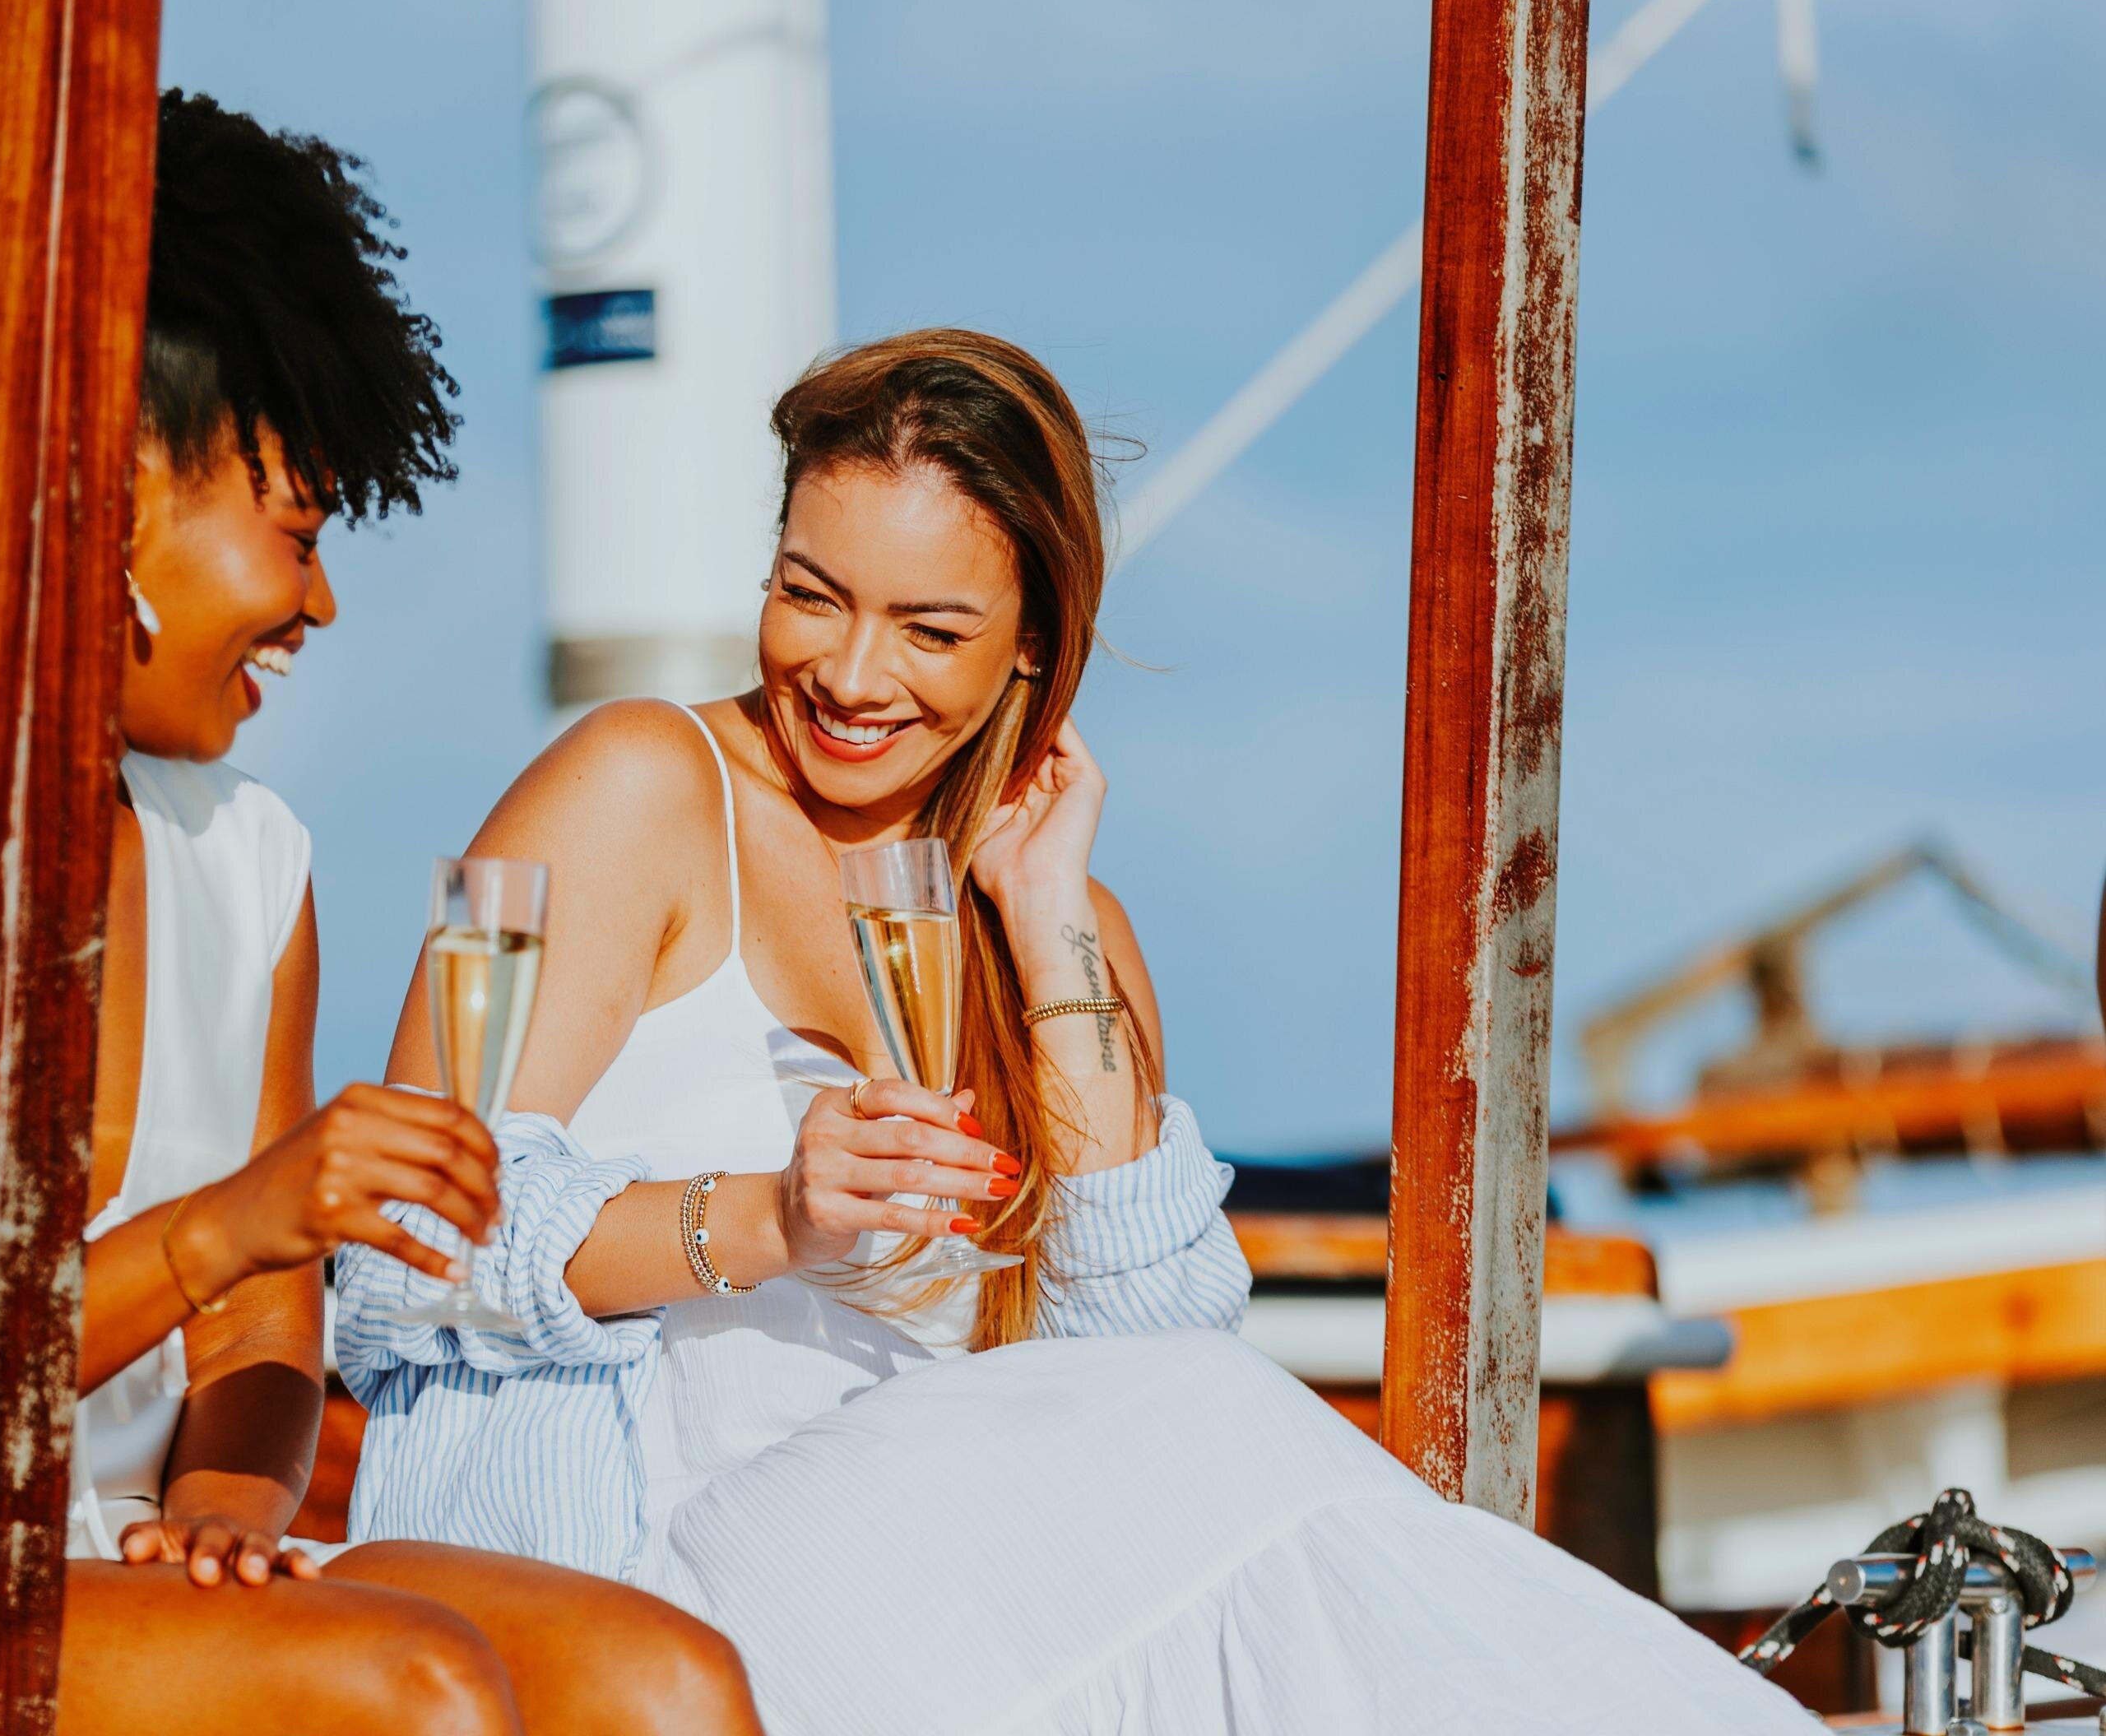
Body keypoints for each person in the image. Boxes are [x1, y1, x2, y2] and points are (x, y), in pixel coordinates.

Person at [335, 328, 1815, 1734]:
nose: (851, 676)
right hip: (632, 1594)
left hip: (939, 1625)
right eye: (811, 594)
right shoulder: (642, 783)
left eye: (931, 630)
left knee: (1236, 1469)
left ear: (1033, 652)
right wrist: (771, 1216)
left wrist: (1047, 924)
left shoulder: (1064, 925)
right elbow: (400, 1242)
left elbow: (1146, 1361)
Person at [0, 91, 758, 1736]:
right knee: (411, 1694)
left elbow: (265, 1323)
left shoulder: (252, 862)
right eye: (298, 533)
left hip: (130, 1565)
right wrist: (226, 1225)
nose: (320, 602)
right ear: (117, 496)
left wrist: (226, 1505)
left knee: (665, 1681)